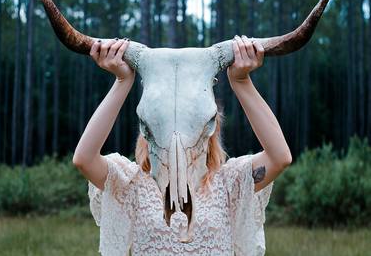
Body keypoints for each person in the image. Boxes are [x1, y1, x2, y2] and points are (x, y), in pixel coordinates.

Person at [72, 35, 292, 256]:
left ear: (210, 125)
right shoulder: (131, 185)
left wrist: (242, 82)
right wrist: (122, 82)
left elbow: (279, 158)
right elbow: (84, 159)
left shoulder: (229, 185)